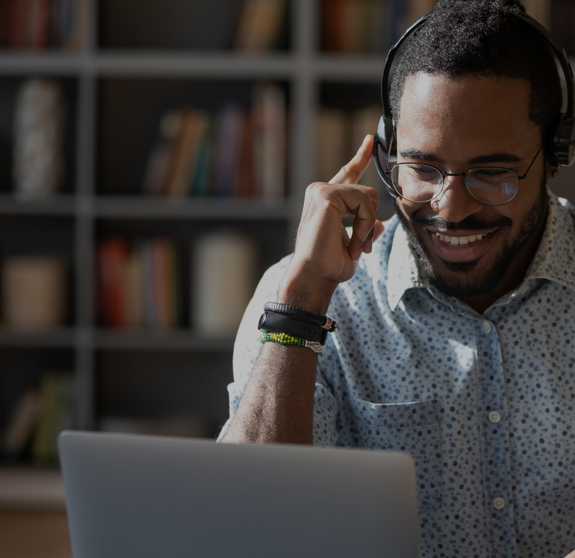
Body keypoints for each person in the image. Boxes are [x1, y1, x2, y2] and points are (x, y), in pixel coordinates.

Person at [219, 0, 575, 556]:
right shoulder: (310, 298)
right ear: (386, 154)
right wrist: (304, 299)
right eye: (423, 168)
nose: (451, 209)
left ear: (555, 154)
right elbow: (240, 528)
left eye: (491, 173)